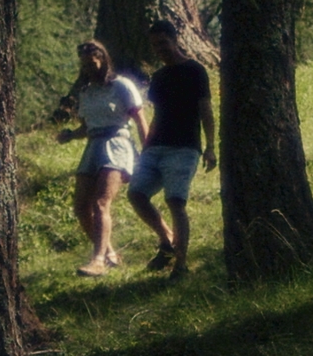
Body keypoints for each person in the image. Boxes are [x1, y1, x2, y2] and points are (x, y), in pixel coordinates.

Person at [130, 17, 214, 276]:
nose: (160, 49)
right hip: (155, 148)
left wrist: (210, 146)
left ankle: (181, 264)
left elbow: (205, 110)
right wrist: (146, 145)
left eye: (164, 43)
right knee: (136, 194)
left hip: (184, 147)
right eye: (155, 45)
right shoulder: (159, 77)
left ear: (175, 40)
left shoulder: (195, 70)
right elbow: (157, 115)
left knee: (175, 201)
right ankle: (166, 242)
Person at [64, 39, 147, 277]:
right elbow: (86, 127)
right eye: (84, 65)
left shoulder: (121, 86)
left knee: (101, 202)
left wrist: (148, 152)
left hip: (117, 145)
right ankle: (110, 253)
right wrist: (70, 135)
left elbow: (140, 120)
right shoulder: (86, 92)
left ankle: (98, 261)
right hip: (93, 147)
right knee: (81, 207)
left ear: (102, 60)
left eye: (92, 63)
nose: (88, 69)